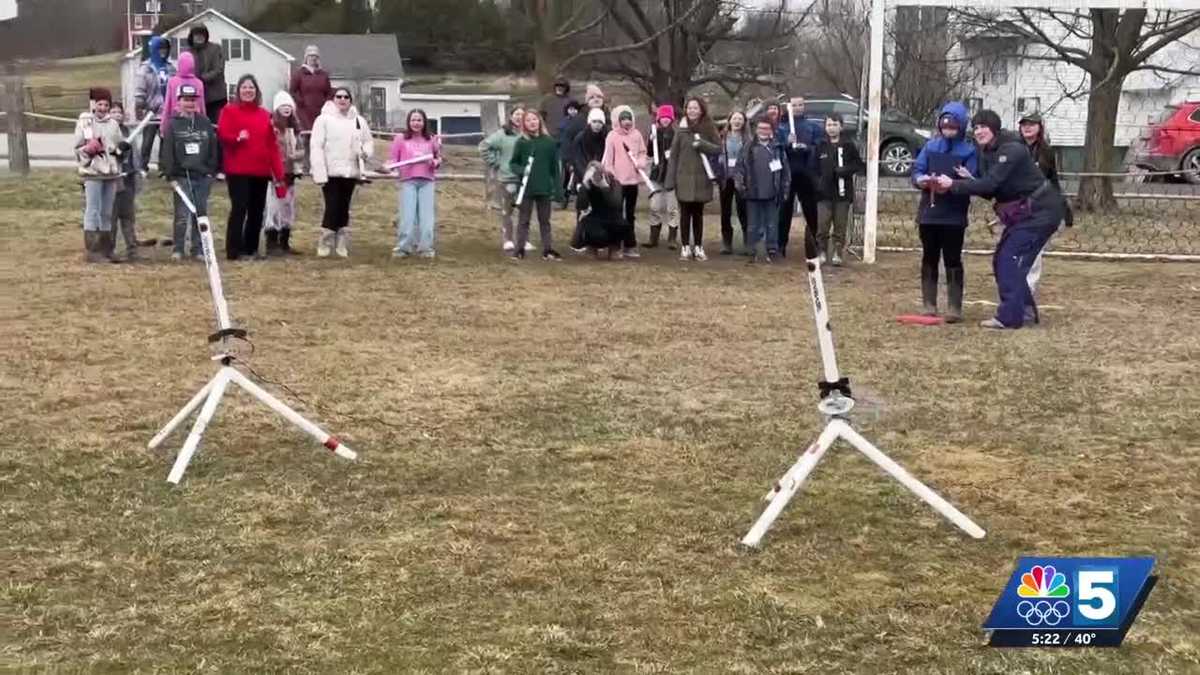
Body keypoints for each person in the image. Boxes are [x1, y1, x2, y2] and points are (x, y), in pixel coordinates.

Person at [933, 110, 1065, 330]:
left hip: (1040, 212)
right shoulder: (986, 152)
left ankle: (1010, 317)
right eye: (975, 127)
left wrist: (953, 185)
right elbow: (991, 190)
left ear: (994, 128)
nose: (979, 131)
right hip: (1026, 214)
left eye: (984, 126)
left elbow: (991, 184)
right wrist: (970, 180)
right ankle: (1025, 312)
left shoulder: (1010, 149)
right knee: (1003, 260)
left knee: (1008, 259)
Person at [912, 102, 977, 321]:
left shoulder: (969, 151)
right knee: (929, 256)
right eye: (945, 127)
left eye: (953, 127)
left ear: (961, 127)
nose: (948, 131)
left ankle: (954, 306)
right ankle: (929, 303)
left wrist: (961, 179)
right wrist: (921, 180)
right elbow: (917, 170)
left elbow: (974, 178)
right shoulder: (930, 147)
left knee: (952, 258)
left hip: (954, 214)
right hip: (929, 213)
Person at [217, 74, 284, 261]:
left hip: (261, 171)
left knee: (257, 210)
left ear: (257, 91)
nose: (248, 90)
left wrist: (278, 175)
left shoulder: (265, 115)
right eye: (244, 87)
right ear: (238, 91)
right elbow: (223, 135)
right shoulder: (229, 111)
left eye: (251, 88)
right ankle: (234, 250)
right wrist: (237, 138)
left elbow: (272, 147)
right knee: (240, 208)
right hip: (238, 170)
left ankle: (251, 248)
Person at [1019, 111, 1073, 322]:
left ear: (1040, 127)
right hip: (1017, 209)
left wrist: (1063, 208)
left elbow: (1053, 181)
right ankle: (1014, 298)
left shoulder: (1047, 153)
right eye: (1024, 124)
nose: (1027, 128)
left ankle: (1027, 302)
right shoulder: (1013, 149)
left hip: (1039, 211)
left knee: (1034, 258)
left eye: (1032, 124)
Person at [310, 87, 373, 257]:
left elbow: (368, 141)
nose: (343, 99)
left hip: (350, 171)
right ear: (333, 99)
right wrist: (319, 172)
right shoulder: (323, 120)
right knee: (332, 206)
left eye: (346, 97)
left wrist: (365, 153)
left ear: (350, 100)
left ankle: (341, 241)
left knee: (344, 207)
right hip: (330, 172)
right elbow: (316, 146)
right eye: (339, 96)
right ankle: (325, 240)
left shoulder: (358, 120)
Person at [161, 84, 219, 262]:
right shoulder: (173, 124)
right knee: (181, 215)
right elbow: (167, 151)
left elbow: (212, 148)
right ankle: (178, 249)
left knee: (200, 214)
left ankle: (198, 249)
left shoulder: (204, 123)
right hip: (181, 177)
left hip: (202, 177)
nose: (190, 103)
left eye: (193, 100)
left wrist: (211, 172)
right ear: (178, 102)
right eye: (186, 100)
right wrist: (170, 175)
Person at [74, 88, 127, 263]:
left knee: (106, 212)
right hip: (93, 174)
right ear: (93, 104)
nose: (103, 108)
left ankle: (107, 249)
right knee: (93, 210)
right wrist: (88, 150)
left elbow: (118, 145)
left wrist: (122, 152)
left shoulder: (113, 124)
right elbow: (77, 148)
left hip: (110, 174)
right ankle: (92, 250)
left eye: (106, 104)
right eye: (100, 104)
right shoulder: (85, 122)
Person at [665, 97, 720, 261]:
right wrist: (670, 180)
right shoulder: (680, 130)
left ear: (701, 110)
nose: (692, 111)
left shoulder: (709, 127)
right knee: (685, 214)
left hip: (702, 178)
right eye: (689, 108)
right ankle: (685, 247)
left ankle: (698, 246)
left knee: (698, 214)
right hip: (683, 179)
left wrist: (702, 144)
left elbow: (718, 148)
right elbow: (673, 156)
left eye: (695, 108)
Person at [734, 117, 790, 263]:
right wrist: (741, 187)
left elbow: (785, 171)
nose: (763, 131)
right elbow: (739, 169)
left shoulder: (777, 148)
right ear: (756, 130)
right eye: (761, 128)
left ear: (771, 131)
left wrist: (784, 190)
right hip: (752, 193)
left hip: (773, 193)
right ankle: (752, 250)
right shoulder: (748, 147)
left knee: (772, 223)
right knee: (753, 224)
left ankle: (772, 249)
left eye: (767, 129)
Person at [509, 111, 563, 260]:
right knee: (524, 220)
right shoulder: (521, 142)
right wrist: (521, 170)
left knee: (545, 220)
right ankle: (519, 249)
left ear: (539, 121)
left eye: (534, 119)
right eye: (528, 120)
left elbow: (555, 169)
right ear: (524, 124)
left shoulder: (549, 143)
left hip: (544, 188)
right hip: (526, 189)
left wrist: (558, 190)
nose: (532, 122)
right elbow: (513, 163)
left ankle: (547, 249)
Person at [813, 113, 865, 266]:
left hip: (842, 194)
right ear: (825, 127)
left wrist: (845, 170)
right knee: (822, 226)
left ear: (841, 126)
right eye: (829, 125)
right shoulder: (820, 145)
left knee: (840, 226)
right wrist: (818, 183)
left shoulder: (848, 145)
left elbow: (858, 165)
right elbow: (813, 168)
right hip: (824, 194)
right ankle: (821, 251)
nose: (832, 128)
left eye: (835, 124)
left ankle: (837, 252)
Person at [391, 109, 443, 258]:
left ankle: (425, 248)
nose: (416, 123)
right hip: (408, 181)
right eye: (413, 120)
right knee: (407, 217)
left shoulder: (431, 139)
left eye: (419, 120)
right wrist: (387, 167)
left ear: (424, 122)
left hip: (427, 181)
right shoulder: (400, 139)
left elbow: (438, 159)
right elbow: (393, 160)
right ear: (408, 122)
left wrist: (433, 162)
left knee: (426, 218)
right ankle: (403, 247)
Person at [777, 96, 823, 258]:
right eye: (794, 105)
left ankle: (815, 244)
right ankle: (780, 245)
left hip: (806, 174)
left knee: (811, 211)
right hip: (788, 174)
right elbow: (777, 149)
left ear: (804, 106)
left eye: (800, 105)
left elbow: (819, 146)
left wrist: (807, 148)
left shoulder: (813, 127)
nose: (797, 108)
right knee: (784, 211)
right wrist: (787, 143)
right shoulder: (782, 128)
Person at [601, 104, 648, 257]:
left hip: (632, 182)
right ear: (618, 120)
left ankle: (630, 244)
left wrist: (641, 162)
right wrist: (612, 175)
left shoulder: (637, 135)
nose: (626, 122)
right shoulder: (612, 136)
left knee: (630, 214)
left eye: (629, 118)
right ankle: (615, 245)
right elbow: (608, 159)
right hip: (618, 183)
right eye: (623, 119)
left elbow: (642, 152)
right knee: (616, 213)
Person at [479, 106, 526, 253]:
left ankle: (523, 239)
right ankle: (508, 239)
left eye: (522, 114)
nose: (519, 117)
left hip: (526, 178)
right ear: (511, 117)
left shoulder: (529, 134)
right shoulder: (502, 135)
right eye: (516, 114)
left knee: (526, 211)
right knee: (507, 210)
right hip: (507, 177)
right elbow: (484, 146)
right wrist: (495, 162)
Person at [264, 91, 306, 256]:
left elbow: (302, 150)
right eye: (283, 105)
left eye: (289, 105)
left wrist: (296, 156)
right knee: (274, 207)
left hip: (291, 172)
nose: (286, 108)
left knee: (288, 207)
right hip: (274, 173)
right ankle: (271, 241)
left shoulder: (295, 129)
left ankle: (285, 241)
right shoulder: (271, 127)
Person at [568, 107, 610, 250]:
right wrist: (586, 176)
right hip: (583, 179)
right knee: (583, 209)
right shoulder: (580, 138)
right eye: (594, 121)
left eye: (600, 122)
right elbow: (576, 159)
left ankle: (599, 240)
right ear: (589, 122)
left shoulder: (607, 137)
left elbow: (608, 157)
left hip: (601, 178)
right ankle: (579, 240)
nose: (597, 124)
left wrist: (601, 174)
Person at [133, 35, 175, 170]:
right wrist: (140, 105)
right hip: (150, 111)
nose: (163, 52)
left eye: (165, 49)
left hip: (167, 111)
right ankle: (142, 167)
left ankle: (164, 167)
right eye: (160, 49)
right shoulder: (145, 69)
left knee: (166, 141)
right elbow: (139, 89)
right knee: (147, 142)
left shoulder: (171, 68)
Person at [576, 161, 631, 258]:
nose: (596, 176)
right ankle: (592, 247)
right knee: (590, 226)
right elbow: (581, 205)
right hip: (595, 217)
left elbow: (616, 204)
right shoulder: (588, 184)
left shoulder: (614, 182)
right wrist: (585, 187)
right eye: (593, 173)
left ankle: (614, 247)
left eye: (598, 173)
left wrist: (604, 187)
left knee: (622, 225)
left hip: (613, 217)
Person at [645, 104, 678, 249]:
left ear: (671, 119)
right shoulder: (654, 133)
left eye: (667, 117)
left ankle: (672, 238)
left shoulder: (677, 135)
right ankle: (653, 238)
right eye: (662, 117)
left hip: (672, 175)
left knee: (672, 208)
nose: (665, 120)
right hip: (657, 175)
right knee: (654, 206)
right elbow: (650, 154)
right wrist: (651, 141)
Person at [717, 110, 750, 255]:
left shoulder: (748, 139)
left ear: (744, 122)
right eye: (735, 118)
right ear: (729, 121)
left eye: (740, 119)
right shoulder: (722, 137)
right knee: (725, 211)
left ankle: (748, 242)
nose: (737, 121)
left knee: (743, 211)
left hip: (741, 179)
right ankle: (726, 242)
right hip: (725, 178)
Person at [187, 24, 227, 126]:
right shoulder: (188, 53)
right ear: (192, 36)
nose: (200, 37)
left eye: (202, 34)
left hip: (216, 98)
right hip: (195, 99)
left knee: (217, 128)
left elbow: (218, 69)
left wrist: (201, 79)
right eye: (196, 34)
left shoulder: (216, 49)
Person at [290, 45, 333, 133]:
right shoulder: (299, 74)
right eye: (311, 56)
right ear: (306, 57)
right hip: (305, 112)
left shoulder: (323, 75)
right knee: (308, 135)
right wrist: (300, 101)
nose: (313, 58)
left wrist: (326, 103)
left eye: (315, 56)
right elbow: (292, 91)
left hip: (321, 111)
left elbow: (329, 92)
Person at [161, 51, 206, 131]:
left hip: (175, 123)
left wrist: (163, 126)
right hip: (195, 122)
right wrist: (204, 124)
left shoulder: (172, 81)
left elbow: (167, 106)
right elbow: (202, 106)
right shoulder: (199, 83)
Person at [558, 100, 582, 206]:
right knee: (566, 176)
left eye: (575, 109)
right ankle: (564, 198)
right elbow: (561, 138)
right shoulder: (564, 122)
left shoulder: (580, 122)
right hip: (566, 152)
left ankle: (579, 197)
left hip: (577, 152)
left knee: (578, 175)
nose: (573, 111)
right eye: (570, 109)